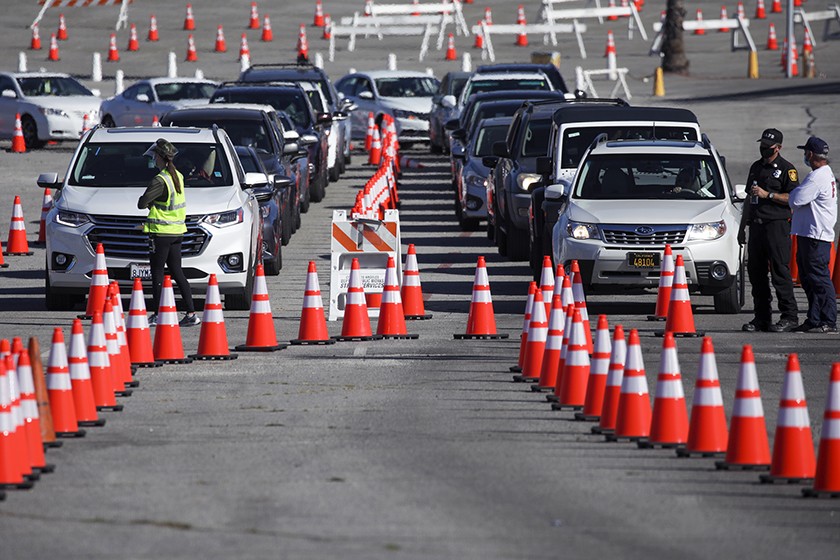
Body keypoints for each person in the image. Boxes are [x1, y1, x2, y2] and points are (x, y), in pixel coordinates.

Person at [738, 128, 800, 332]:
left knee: (780, 272)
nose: (763, 149)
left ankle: (789, 316)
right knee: (756, 273)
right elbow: (749, 198)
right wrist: (742, 228)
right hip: (757, 226)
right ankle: (761, 317)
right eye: (762, 145)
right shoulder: (756, 167)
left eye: (767, 147)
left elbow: (793, 199)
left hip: (777, 226)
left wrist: (769, 195)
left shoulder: (786, 169)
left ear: (778, 148)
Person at [137, 138, 200, 327]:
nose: (153, 159)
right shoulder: (177, 176)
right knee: (177, 272)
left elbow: (142, 203)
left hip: (161, 233)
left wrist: (149, 202)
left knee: (157, 273)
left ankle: (157, 314)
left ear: (160, 157)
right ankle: (191, 314)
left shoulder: (160, 179)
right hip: (177, 232)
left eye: (155, 156)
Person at [789, 136, 838, 333]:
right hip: (810, 235)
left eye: (805, 153)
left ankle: (828, 320)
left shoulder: (817, 177)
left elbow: (796, 199)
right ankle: (814, 318)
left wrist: (793, 194)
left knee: (819, 280)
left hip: (815, 237)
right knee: (809, 279)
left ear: (810, 154)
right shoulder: (823, 174)